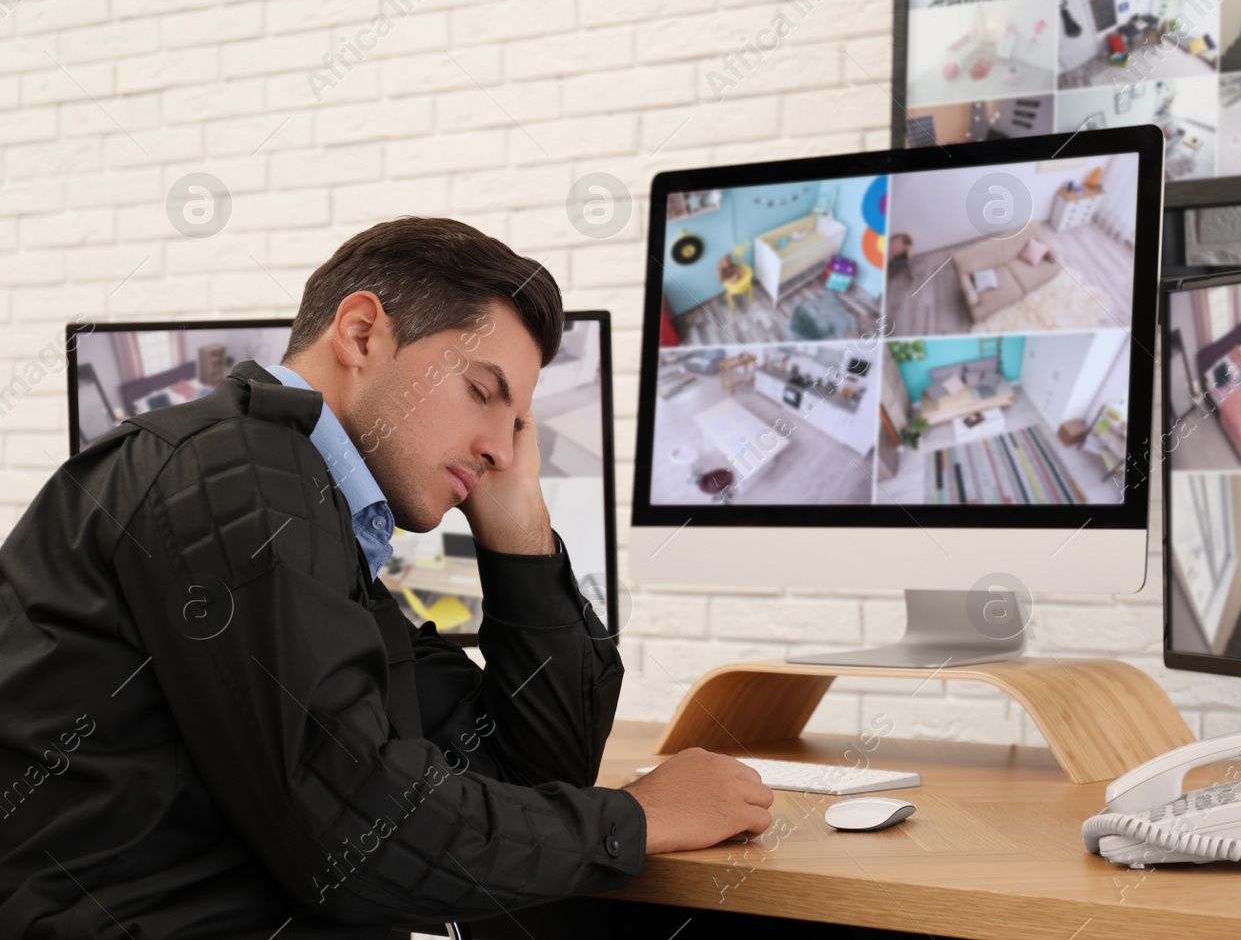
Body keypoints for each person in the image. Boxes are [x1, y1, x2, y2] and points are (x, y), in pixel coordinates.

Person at [0, 218, 773, 938]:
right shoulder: (239, 473)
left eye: (517, 424)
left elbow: (530, 772)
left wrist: (519, 531)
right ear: (362, 332)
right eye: (482, 392)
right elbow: (363, 839)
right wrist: (636, 818)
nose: (501, 449)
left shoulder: (311, 514)